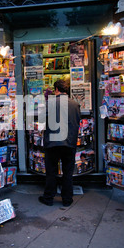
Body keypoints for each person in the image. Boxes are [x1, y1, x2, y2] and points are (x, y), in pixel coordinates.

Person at [38, 79, 81, 207]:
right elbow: (77, 121)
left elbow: (41, 120)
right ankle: (67, 199)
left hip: (53, 144)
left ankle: (49, 198)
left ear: (56, 89)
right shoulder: (75, 104)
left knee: (51, 172)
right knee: (68, 172)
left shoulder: (50, 103)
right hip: (69, 142)